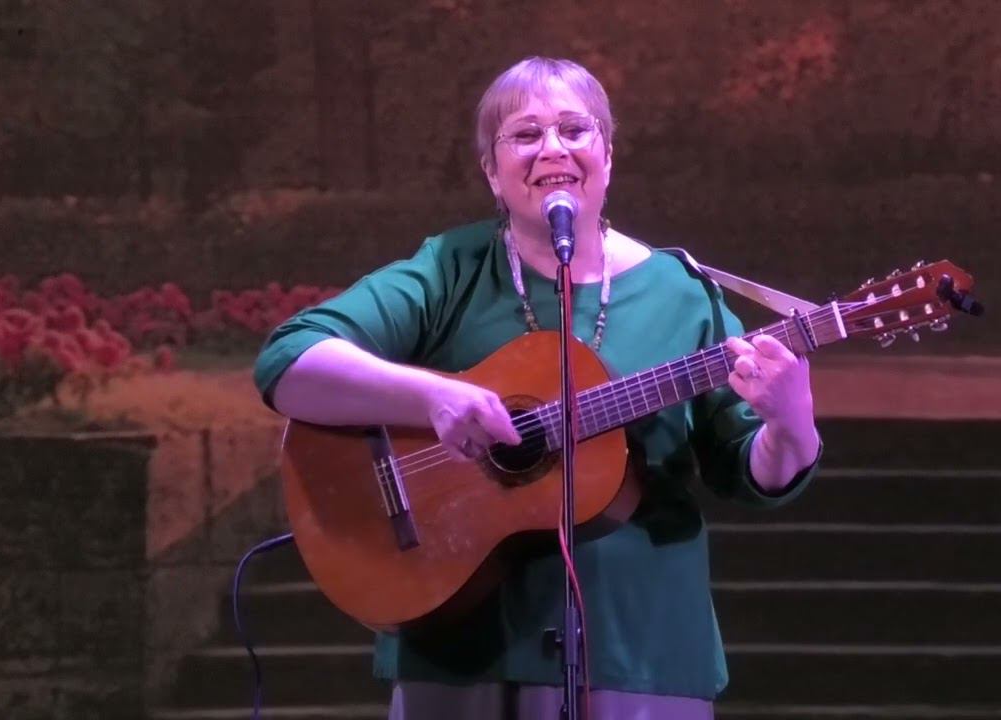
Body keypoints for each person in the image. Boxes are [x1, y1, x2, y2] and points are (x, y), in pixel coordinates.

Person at [253, 56, 822, 720]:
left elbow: (751, 471)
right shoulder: (451, 268)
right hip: (458, 653)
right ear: (492, 172)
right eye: (525, 134)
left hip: (641, 652)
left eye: (575, 130)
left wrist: (790, 421)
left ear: (607, 157)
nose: (553, 148)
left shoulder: (683, 294)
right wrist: (432, 399)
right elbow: (289, 362)